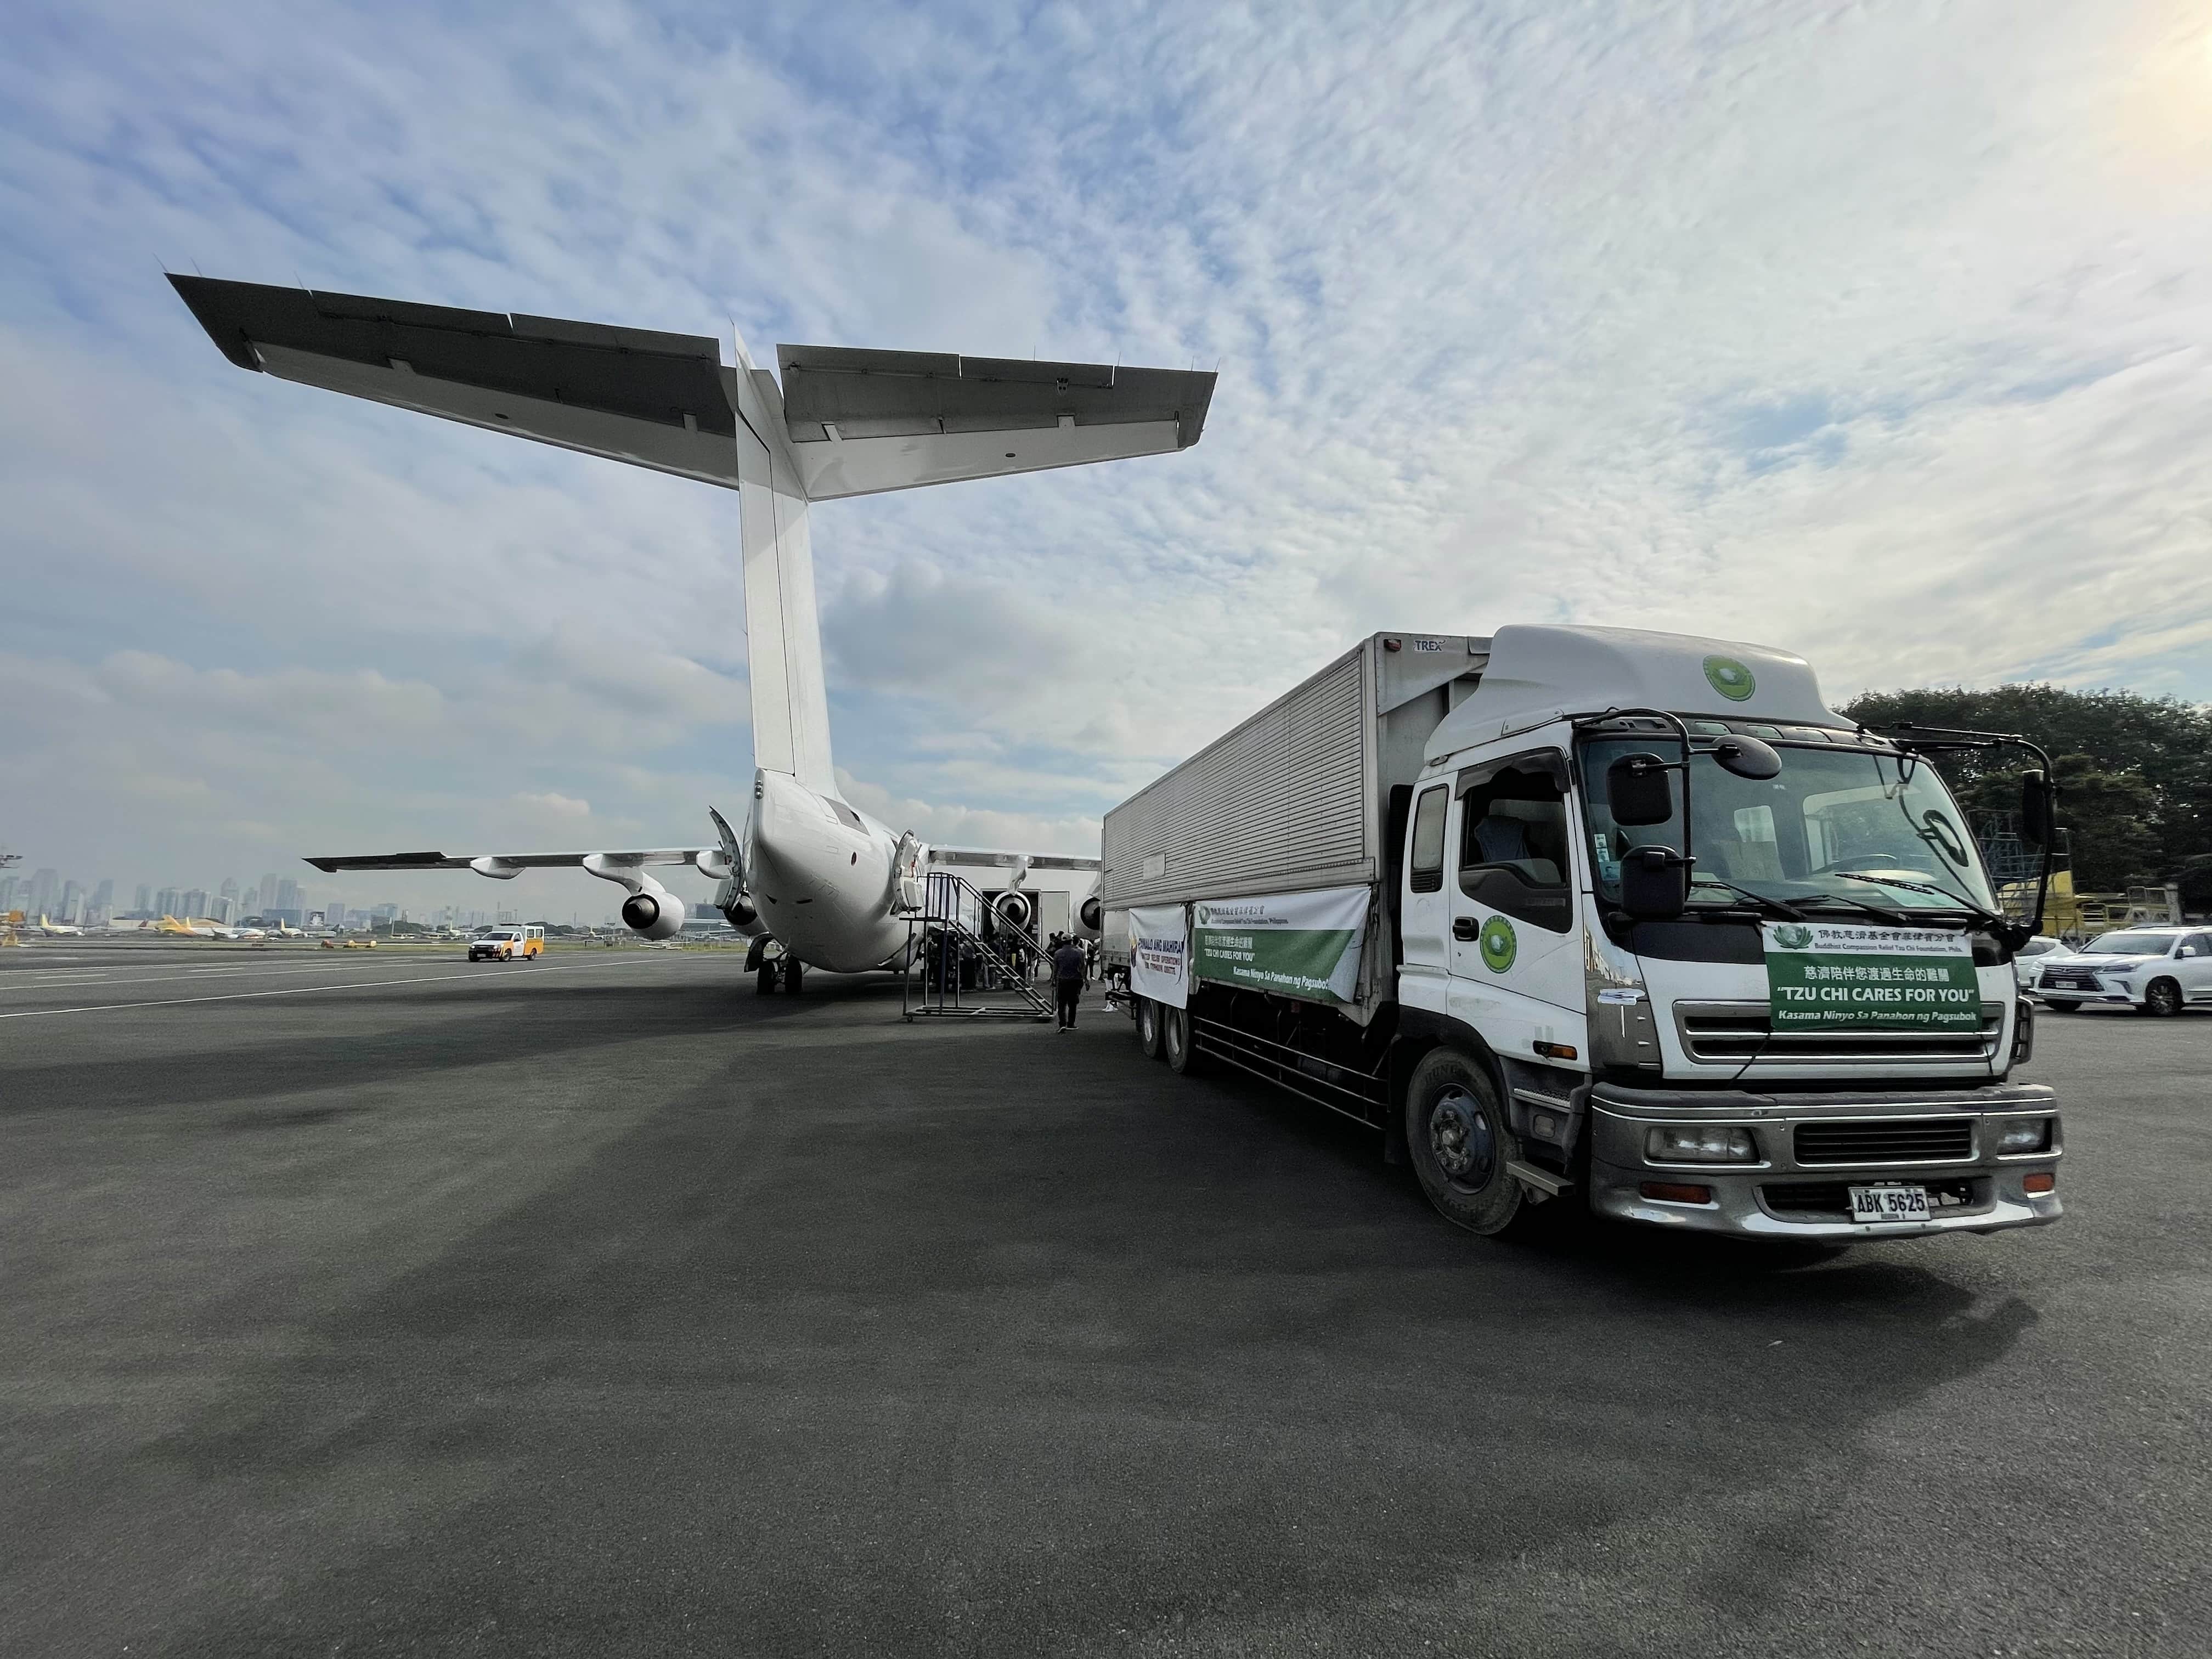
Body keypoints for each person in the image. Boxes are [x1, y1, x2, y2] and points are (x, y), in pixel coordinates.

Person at [1051, 934, 1087, 1031]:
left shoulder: (1058, 953)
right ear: (1071, 941)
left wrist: (1053, 980)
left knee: (1062, 1004)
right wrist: (1086, 980)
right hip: (1075, 980)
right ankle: (1071, 1024)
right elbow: (1082, 968)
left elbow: (1055, 969)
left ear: (1063, 942)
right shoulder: (1079, 953)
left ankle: (1062, 1023)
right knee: (1073, 1004)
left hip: (1062, 981)